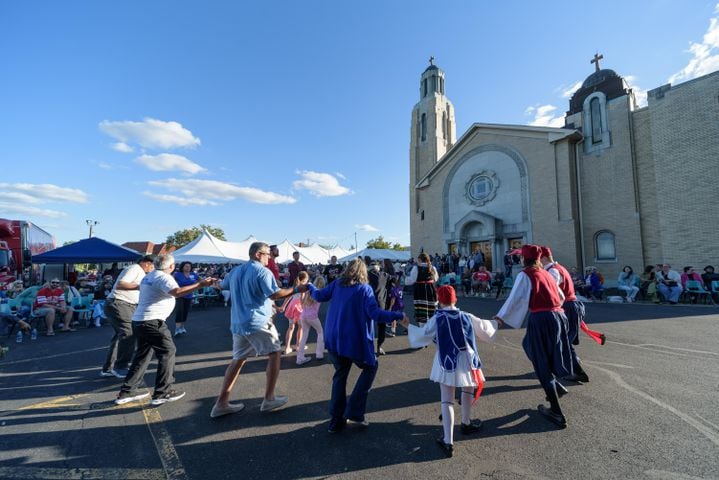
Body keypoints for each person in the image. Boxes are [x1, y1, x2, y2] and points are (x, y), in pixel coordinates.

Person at [307, 258, 407, 433]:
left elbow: (319, 295)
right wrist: (397, 316)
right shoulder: (364, 289)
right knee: (370, 367)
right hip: (353, 341)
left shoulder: (337, 284)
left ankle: (336, 421)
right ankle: (355, 411)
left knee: (340, 376)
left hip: (334, 339)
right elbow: (374, 314)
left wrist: (309, 286)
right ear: (363, 272)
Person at [209, 242, 308, 419]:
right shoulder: (263, 272)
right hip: (257, 322)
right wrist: (296, 288)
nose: (269, 257)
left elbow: (222, 286)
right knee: (275, 352)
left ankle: (221, 403)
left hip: (238, 323)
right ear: (257, 254)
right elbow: (275, 294)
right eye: (267, 254)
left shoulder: (235, 271)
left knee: (238, 359)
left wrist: (212, 282)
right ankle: (269, 399)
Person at [400, 286, 497, 457]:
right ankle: (466, 423)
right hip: (467, 360)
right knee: (468, 389)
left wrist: (408, 325)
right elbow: (484, 328)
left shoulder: (437, 317)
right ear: (455, 299)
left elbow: (423, 335)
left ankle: (448, 441)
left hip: (446, 362)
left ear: (439, 300)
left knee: (447, 400)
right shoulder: (466, 316)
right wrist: (497, 322)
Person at [115, 254, 215, 405]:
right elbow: (177, 292)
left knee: (142, 356)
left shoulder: (149, 276)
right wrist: (200, 285)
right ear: (171, 266)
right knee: (168, 352)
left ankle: (127, 392)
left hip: (140, 320)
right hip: (152, 321)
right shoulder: (163, 277)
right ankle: (162, 392)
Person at [495, 244, 573, 428]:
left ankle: (556, 410)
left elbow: (514, 297)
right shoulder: (546, 272)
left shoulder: (526, 274)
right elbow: (560, 296)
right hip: (558, 316)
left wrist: (500, 317)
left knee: (540, 359)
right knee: (530, 345)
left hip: (542, 318)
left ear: (524, 258)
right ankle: (555, 386)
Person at [540, 246, 592, 384]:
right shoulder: (558, 268)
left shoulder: (553, 271)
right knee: (563, 340)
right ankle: (566, 366)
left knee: (563, 342)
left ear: (543, 258)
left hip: (567, 306)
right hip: (571, 305)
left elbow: (551, 291)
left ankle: (576, 371)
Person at [100, 256, 155, 378]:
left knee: (119, 336)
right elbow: (121, 284)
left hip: (119, 303)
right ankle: (120, 367)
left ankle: (108, 368)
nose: (153, 268)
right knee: (129, 333)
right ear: (145, 263)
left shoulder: (139, 271)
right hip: (120, 303)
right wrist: (141, 286)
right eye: (152, 265)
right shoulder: (135, 268)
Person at [296, 275, 325, 365]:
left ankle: (299, 357)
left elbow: (302, 302)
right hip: (312, 317)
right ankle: (319, 353)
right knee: (320, 332)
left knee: (304, 336)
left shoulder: (308, 291)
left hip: (303, 316)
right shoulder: (320, 293)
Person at [404, 253, 438, 327]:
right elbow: (436, 278)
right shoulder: (433, 268)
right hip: (430, 290)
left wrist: (406, 278)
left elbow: (411, 280)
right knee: (431, 309)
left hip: (420, 289)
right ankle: (432, 328)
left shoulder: (416, 268)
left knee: (422, 311)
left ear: (419, 259)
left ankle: (423, 329)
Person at [280, 272, 306, 354]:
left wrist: (283, 306)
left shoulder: (293, 287)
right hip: (298, 308)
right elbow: (302, 300)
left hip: (292, 307)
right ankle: (298, 345)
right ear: (304, 280)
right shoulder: (303, 288)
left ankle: (287, 348)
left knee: (290, 327)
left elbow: (287, 297)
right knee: (300, 327)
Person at [172, 261, 199, 336]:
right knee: (179, 311)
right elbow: (170, 282)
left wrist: (196, 286)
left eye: (189, 266)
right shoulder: (177, 274)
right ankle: (177, 329)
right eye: (186, 266)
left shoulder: (194, 275)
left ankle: (182, 327)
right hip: (179, 295)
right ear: (182, 267)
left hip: (189, 296)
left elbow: (201, 281)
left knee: (185, 312)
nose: (188, 268)